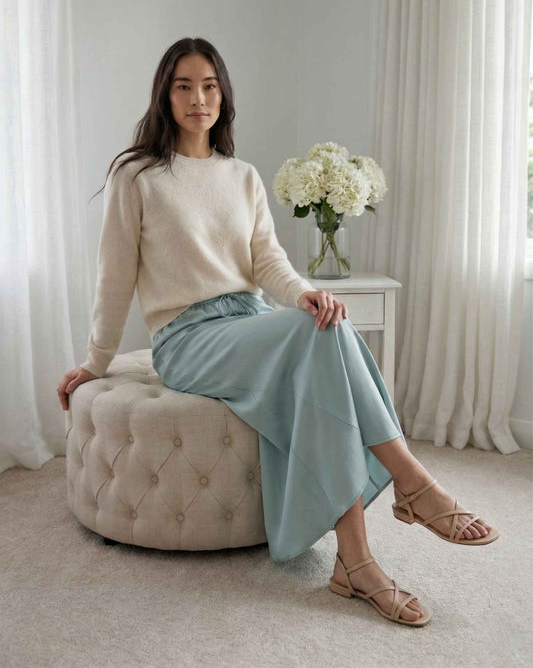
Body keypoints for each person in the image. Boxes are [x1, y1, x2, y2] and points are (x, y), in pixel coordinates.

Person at [57, 37, 499, 627]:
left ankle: (355, 562)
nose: (198, 98)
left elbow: (268, 263)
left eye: (209, 85)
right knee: (315, 336)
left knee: (326, 323)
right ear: (165, 94)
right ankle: (413, 483)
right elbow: (114, 277)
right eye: (184, 85)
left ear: (224, 95)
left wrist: (304, 294)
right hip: (187, 340)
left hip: (250, 319)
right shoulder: (137, 175)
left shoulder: (241, 175)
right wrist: (95, 360)